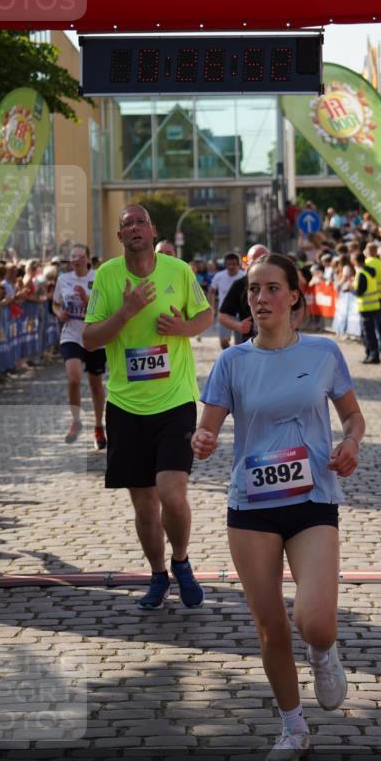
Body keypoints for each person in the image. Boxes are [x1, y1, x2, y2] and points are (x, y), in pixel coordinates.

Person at [192, 254, 365, 761]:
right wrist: (202, 440)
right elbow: (208, 428)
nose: (260, 298)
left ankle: (323, 653)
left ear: (294, 296)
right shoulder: (233, 362)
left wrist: (351, 443)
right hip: (252, 505)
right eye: (253, 290)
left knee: (316, 622)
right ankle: (294, 727)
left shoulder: (324, 352)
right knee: (271, 627)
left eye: (271, 288)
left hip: (312, 500)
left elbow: (353, 417)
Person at [82, 204, 213, 609]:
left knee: (171, 494)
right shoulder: (107, 276)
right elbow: (90, 339)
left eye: (141, 222)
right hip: (126, 405)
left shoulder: (178, 271)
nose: (135, 228)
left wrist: (183, 328)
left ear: (153, 230)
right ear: (120, 236)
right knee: (144, 505)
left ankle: (181, 561)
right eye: (128, 225)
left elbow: (205, 316)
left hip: (175, 401)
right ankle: (158, 575)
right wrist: (126, 311)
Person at [52, 244, 107, 448]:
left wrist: (86, 299)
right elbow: (55, 303)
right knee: (74, 378)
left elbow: (105, 307)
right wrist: (59, 314)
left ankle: (99, 426)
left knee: (95, 384)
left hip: (94, 334)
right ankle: (76, 421)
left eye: (80, 256)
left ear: (87, 259)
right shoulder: (63, 279)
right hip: (71, 334)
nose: (75, 260)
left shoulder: (98, 277)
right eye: (72, 256)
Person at [218, 244, 269, 343]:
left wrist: (294, 322)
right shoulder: (240, 284)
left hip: (278, 342)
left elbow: (298, 303)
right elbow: (222, 316)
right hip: (250, 342)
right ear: (248, 264)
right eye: (256, 263)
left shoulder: (280, 281)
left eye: (265, 263)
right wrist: (239, 326)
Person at [351, 250, 381, 364]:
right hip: (374, 305)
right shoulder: (370, 271)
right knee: (371, 332)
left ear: (356, 261)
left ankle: (372, 355)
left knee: (367, 333)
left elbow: (360, 291)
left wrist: (352, 290)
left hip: (365, 307)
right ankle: (373, 354)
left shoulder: (361, 273)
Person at [208, 252, 245, 349]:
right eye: (229, 264)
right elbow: (211, 291)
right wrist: (212, 308)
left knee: (240, 343)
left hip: (240, 314)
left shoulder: (244, 276)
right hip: (224, 313)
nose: (231, 266)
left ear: (238, 264)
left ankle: (236, 357)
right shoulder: (219, 276)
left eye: (234, 264)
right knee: (223, 342)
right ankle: (229, 354)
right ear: (225, 265)